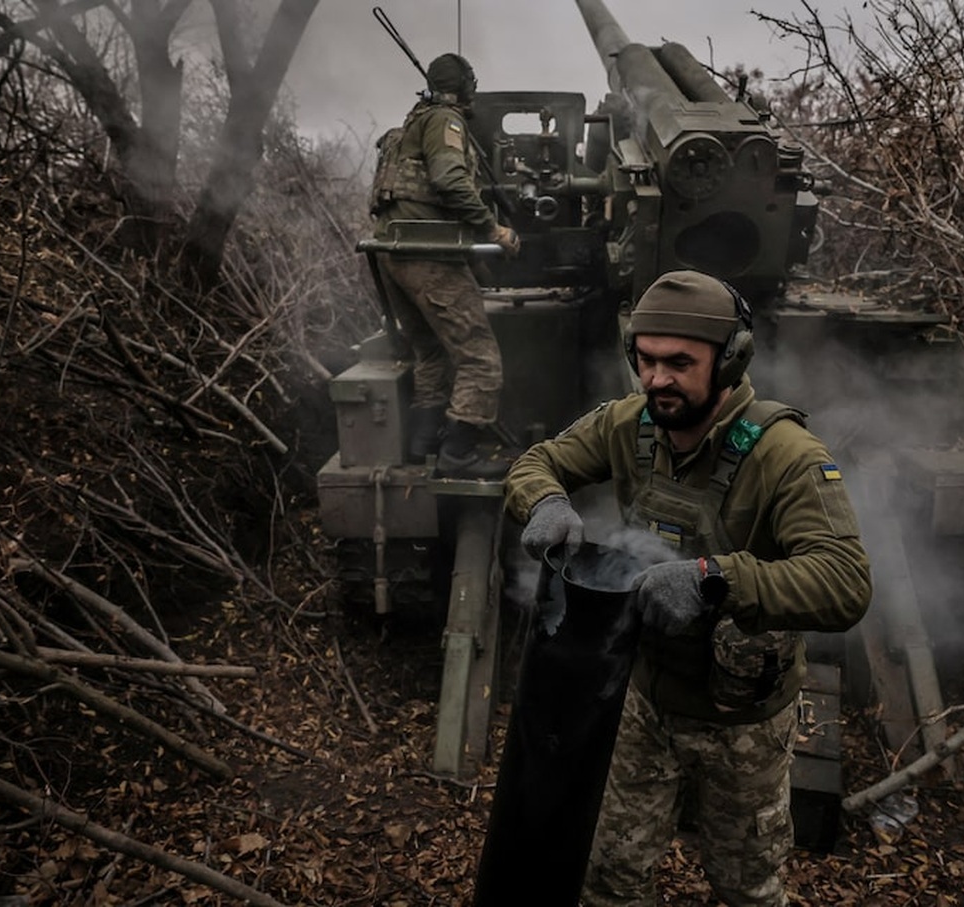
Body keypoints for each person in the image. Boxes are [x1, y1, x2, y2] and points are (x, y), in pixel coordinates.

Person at [504, 269, 872, 906]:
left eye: (679, 362)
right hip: (643, 698)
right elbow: (537, 462)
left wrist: (715, 578)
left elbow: (845, 582)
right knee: (610, 879)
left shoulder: (787, 454)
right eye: (645, 361)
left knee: (746, 890)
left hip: (743, 723)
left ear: (730, 360)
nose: (657, 380)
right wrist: (545, 501)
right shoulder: (631, 424)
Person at [369, 52, 519, 479]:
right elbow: (450, 179)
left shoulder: (405, 129)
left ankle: (422, 442)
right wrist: (494, 230)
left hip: (390, 255)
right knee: (480, 360)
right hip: (428, 256)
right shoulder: (445, 122)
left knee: (430, 352)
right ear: (465, 87)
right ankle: (458, 453)